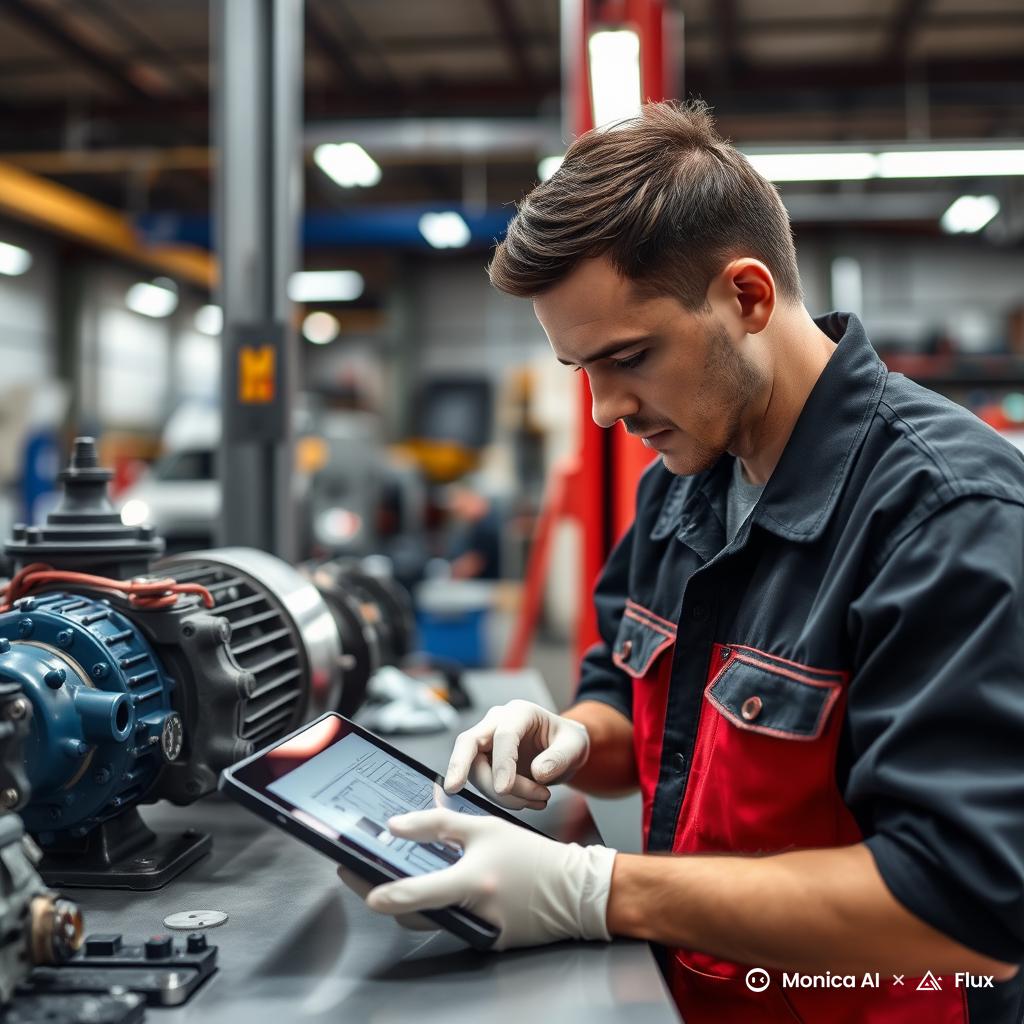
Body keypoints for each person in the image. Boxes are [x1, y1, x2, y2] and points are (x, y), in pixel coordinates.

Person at [339, 101, 1024, 1023]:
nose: (604, 410)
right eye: (582, 370)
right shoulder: (685, 482)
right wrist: (572, 736)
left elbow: (967, 907)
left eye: (628, 357)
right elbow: (632, 703)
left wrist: (596, 890)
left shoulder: (944, 516)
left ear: (747, 297)